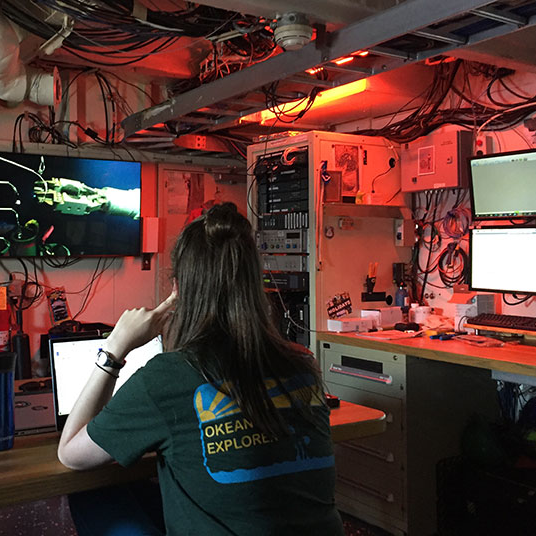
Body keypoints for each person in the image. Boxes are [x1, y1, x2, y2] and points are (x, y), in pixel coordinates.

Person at [58, 203, 343, 535]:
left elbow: (72, 455)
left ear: (178, 289)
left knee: (90, 494)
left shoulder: (168, 377)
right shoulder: (302, 364)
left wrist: (115, 348)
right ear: (254, 282)